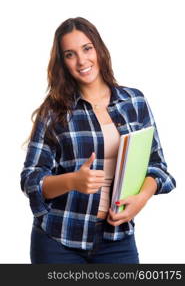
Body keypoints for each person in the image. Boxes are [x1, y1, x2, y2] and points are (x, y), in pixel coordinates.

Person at [20, 17, 176, 264]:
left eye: (86, 48)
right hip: (59, 241)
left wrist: (141, 199)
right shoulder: (53, 112)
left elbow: (157, 166)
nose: (81, 61)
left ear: (99, 49)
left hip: (117, 240)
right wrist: (72, 181)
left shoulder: (134, 101)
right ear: (62, 62)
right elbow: (31, 179)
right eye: (70, 54)